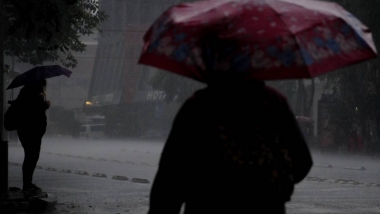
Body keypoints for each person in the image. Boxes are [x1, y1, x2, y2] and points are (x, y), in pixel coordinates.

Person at [11, 80, 50, 192]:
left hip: (27, 131)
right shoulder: (32, 96)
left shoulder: (24, 94)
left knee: (31, 156)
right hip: (32, 131)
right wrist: (45, 105)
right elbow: (34, 111)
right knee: (31, 157)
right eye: (43, 85)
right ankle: (27, 184)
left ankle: (28, 183)